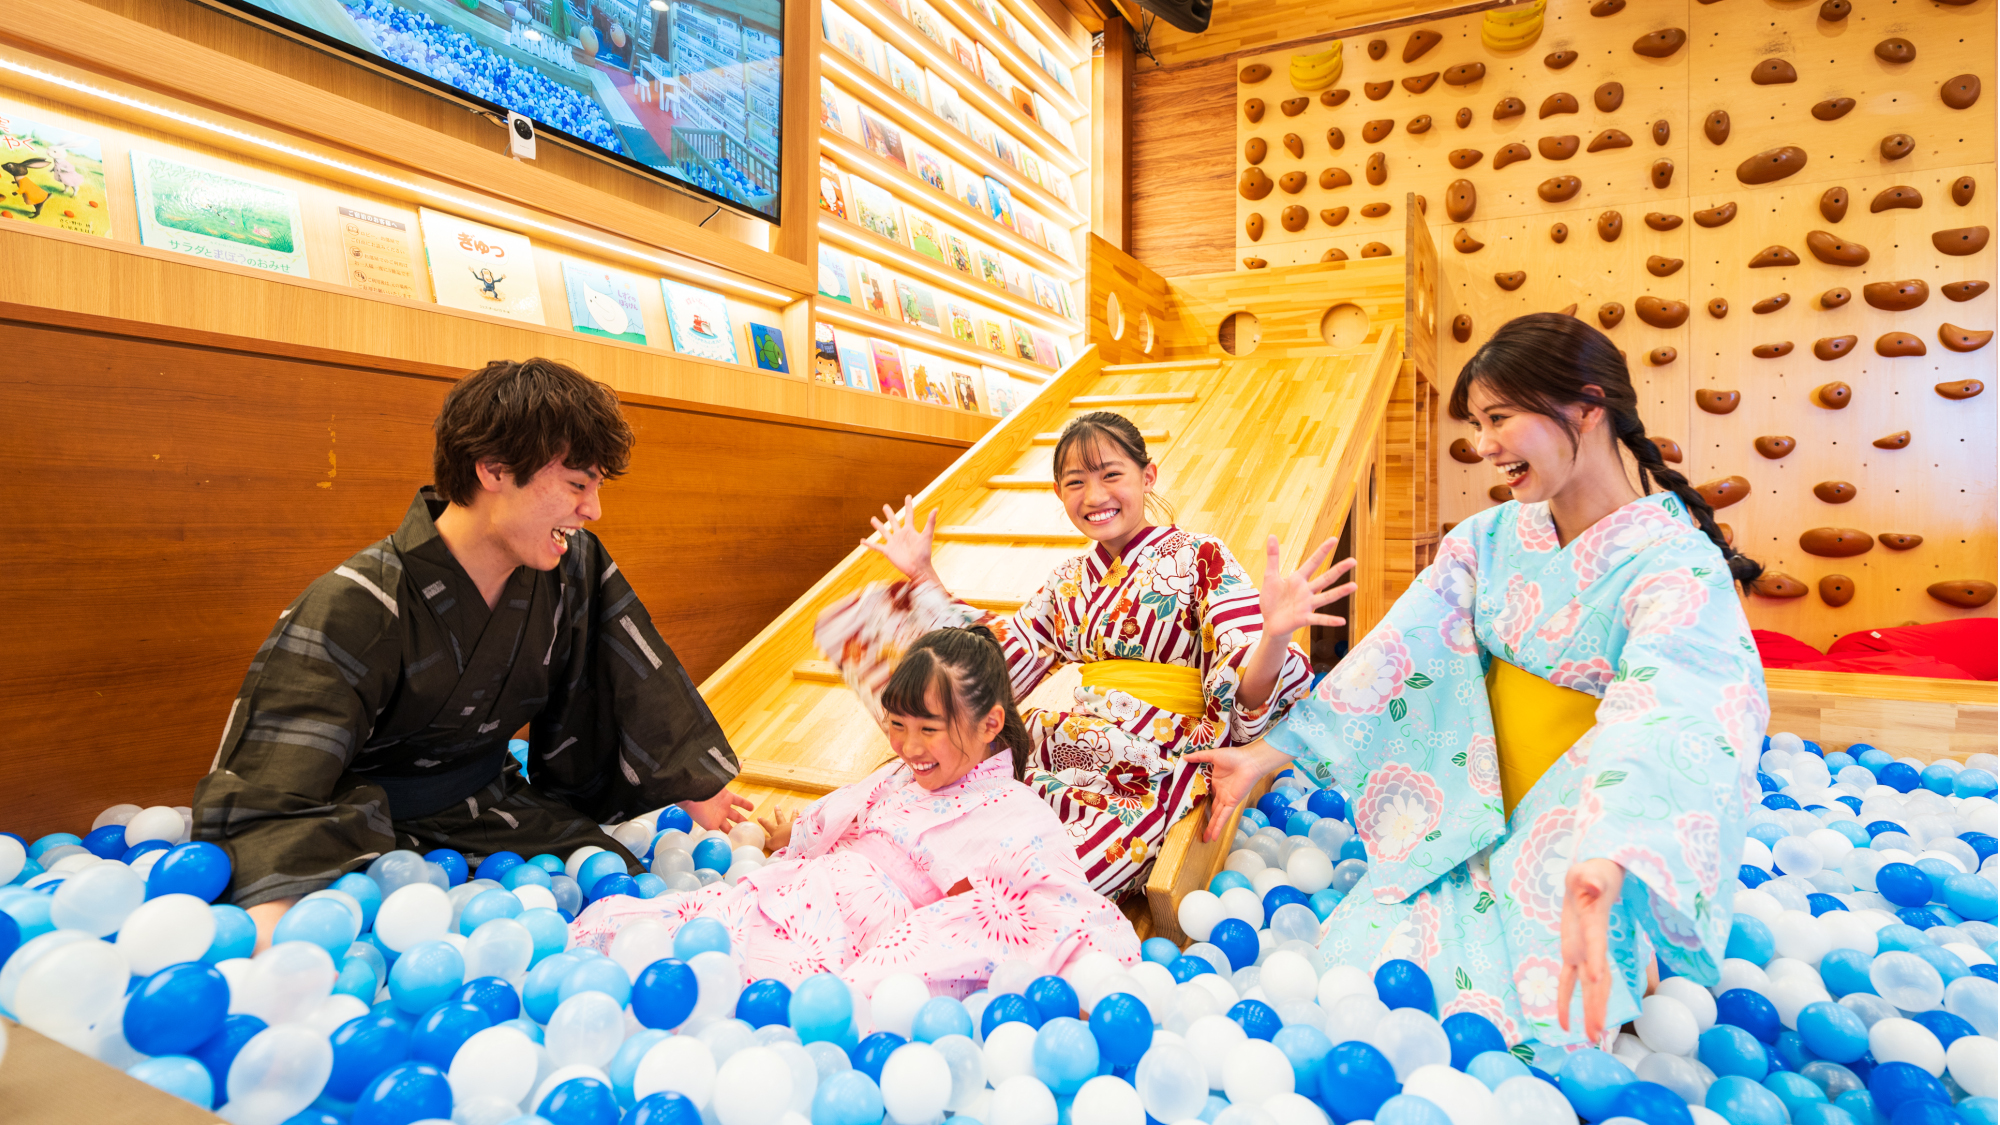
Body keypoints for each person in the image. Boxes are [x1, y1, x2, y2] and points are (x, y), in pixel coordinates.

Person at [1193, 313, 1769, 1057]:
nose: (1483, 443)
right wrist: (1266, 753)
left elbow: (1672, 706)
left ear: (1587, 407)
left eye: (1499, 418)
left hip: (1584, 822)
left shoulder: (1674, 563)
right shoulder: (1488, 540)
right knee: (1364, 973)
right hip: (1474, 812)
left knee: (1546, 1026)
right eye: (1477, 423)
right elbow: (1398, 653)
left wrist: (1608, 853)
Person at [191, 358, 752, 948]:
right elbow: (275, 783)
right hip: (361, 821)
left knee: (619, 888)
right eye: (578, 485)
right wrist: (276, 924)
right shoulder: (357, 602)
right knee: (356, 931)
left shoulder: (572, 570)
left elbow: (624, 672)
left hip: (486, 805)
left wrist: (691, 782)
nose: (592, 510)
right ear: (493, 470)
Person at [813, 412, 1354, 898]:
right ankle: (888, 873)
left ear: (1149, 476)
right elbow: (999, 662)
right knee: (970, 798)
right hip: (1073, 741)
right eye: (1076, 482)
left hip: (1158, 758)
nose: (1094, 495)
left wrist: (1277, 635)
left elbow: (1246, 688)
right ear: (1058, 492)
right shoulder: (1069, 580)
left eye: (1111, 474)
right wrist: (925, 580)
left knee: (1042, 878)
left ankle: (989, 906)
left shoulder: (1203, 557)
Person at [571, 627, 1141, 995]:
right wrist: (789, 831)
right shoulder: (900, 774)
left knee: (771, 989)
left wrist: (1088, 972)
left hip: (869, 927)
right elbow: (850, 814)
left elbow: (1056, 899)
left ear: (990, 724)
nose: (908, 747)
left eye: (928, 730)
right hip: (810, 884)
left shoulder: (1018, 811)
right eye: (896, 726)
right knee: (687, 932)